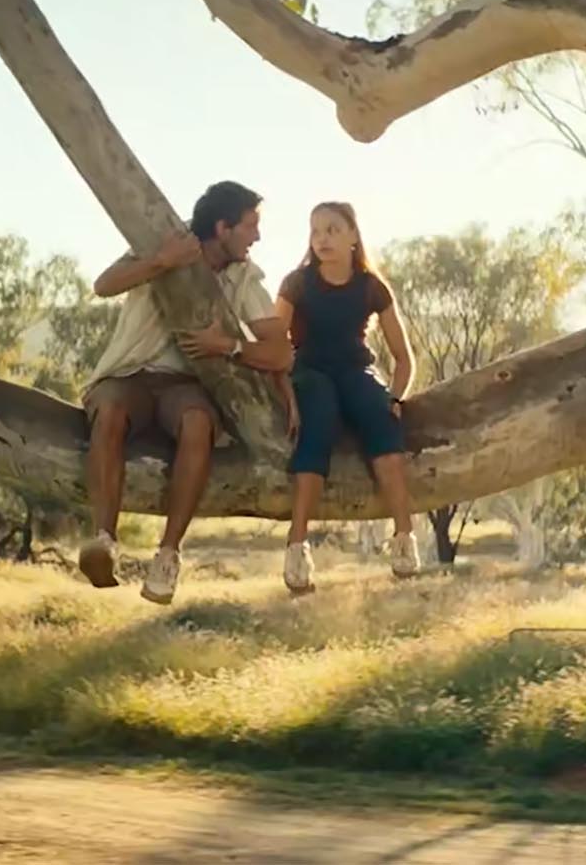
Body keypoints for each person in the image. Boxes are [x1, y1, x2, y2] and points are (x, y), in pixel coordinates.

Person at [80, 181, 292, 604]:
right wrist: (161, 261)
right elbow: (103, 286)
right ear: (222, 227)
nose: (257, 236)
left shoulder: (244, 276)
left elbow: (281, 350)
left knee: (198, 423)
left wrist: (228, 346)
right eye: (250, 226)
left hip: (184, 386)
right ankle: (103, 539)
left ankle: (168, 554)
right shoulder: (161, 242)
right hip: (128, 374)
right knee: (111, 413)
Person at [275, 201, 420, 595]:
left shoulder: (372, 287)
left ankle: (404, 538)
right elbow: (272, 347)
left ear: (354, 235)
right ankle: (297, 547)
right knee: (317, 423)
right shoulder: (297, 283)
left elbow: (404, 359)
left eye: (333, 230)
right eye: (316, 231)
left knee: (381, 422)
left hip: (356, 370)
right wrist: (287, 397)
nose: (322, 239)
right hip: (310, 371)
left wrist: (396, 398)